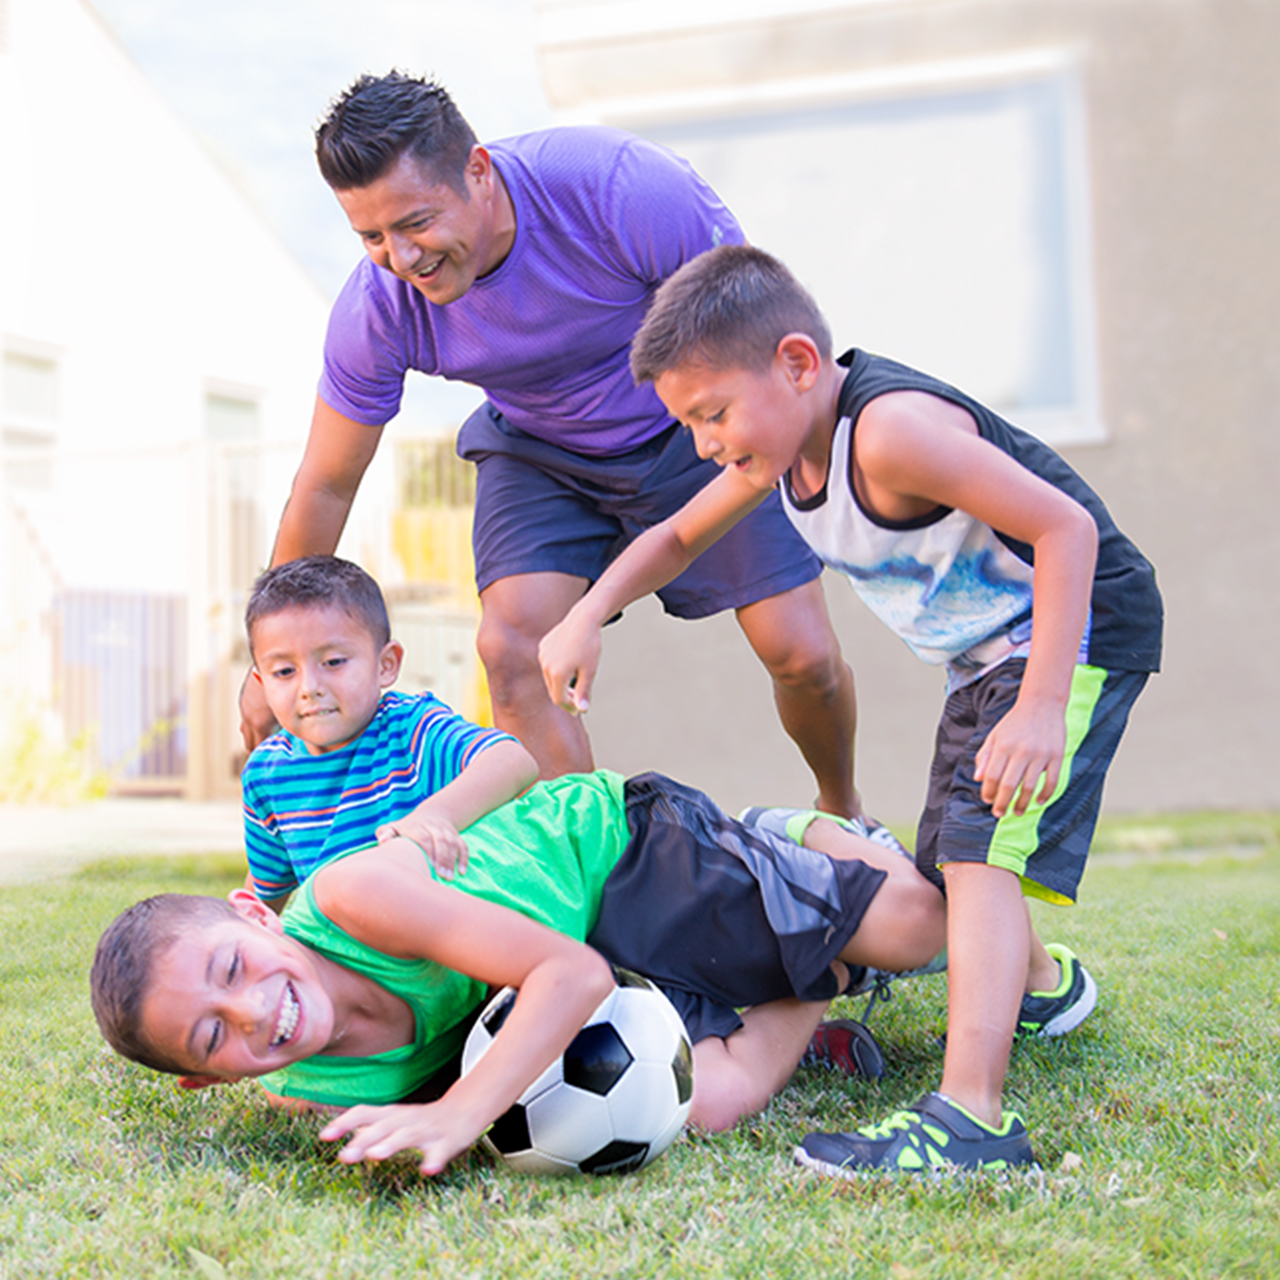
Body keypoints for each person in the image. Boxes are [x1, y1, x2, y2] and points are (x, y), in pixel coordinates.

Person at [538, 245, 1163, 1174]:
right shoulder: (782, 451)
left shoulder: (889, 433)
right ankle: (1043, 987)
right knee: (955, 855)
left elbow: (1064, 528)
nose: (707, 443)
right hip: (983, 657)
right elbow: (673, 534)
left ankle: (972, 1121)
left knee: (982, 850)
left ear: (795, 363)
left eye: (712, 414)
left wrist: (1042, 706)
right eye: (689, 425)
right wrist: (587, 612)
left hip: (1072, 639)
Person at [239, 70, 870, 827]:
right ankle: (596, 872)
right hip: (538, 450)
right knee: (512, 646)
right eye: (371, 237)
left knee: (801, 656)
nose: (401, 258)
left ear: (478, 171)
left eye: (415, 224)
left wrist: (799, 457)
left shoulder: (621, 192)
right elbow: (327, 484)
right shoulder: (377, 311)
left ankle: (842, 808)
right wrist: (269, 651)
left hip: (689, 429)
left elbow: (757, 337)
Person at [90, 770, 947, 1176]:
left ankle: (804, 837)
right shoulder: (310, 1086)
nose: (254, 1012)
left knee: (919, 929)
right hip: (599, 959)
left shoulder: (354, 897)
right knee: (714, 1103)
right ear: (204, 1079)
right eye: (216, 1035)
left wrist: (465, 1111)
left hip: (612, 854)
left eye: (233, 967)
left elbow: (567, 975)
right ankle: (826, 968)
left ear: (254, 912)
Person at [241, 555, 537, 904]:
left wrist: (433, 817)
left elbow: (514, 760)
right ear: (261, 682)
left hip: (441, 932)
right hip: (345, 946)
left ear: (386, 665)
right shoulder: (267, 774)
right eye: (284, 672)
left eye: (333, 662)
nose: (309, 687)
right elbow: (264, 900)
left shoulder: (410, 728)